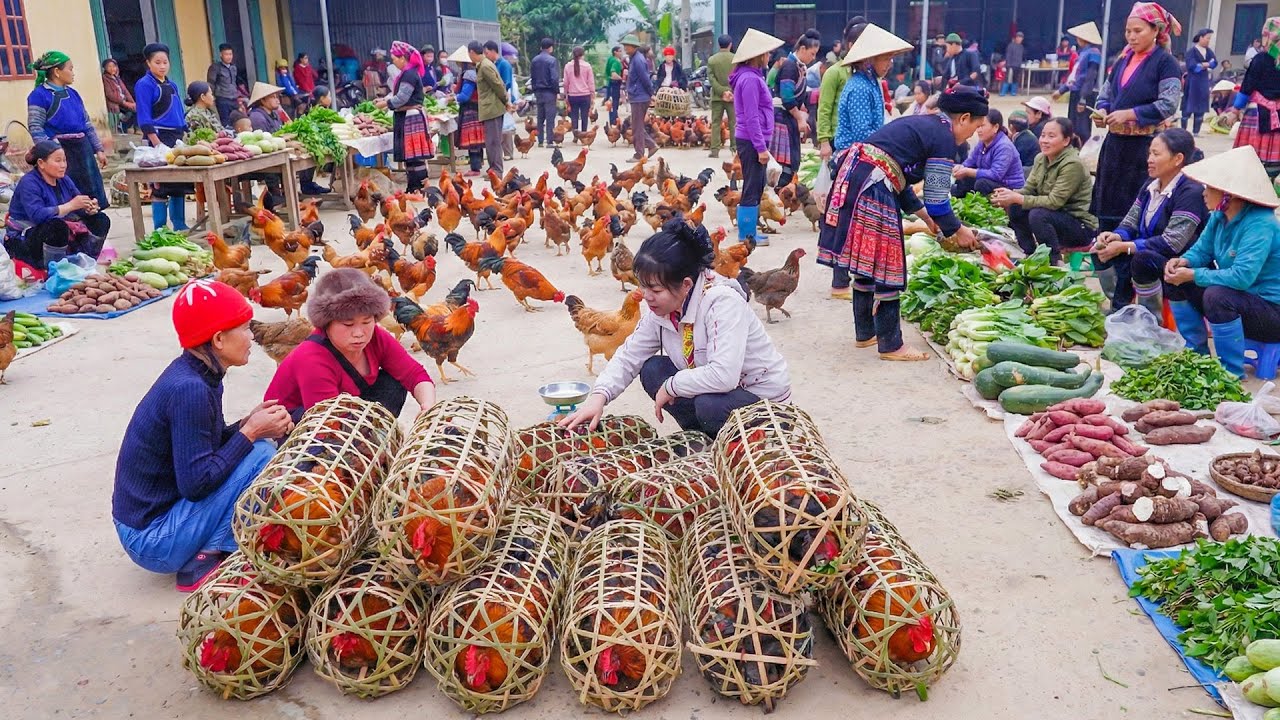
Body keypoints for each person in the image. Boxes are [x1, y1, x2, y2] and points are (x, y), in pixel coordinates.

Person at [114, 280, 293, 593]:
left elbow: (204, 447)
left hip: (152, 524)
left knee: (257, 446)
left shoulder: (199, 373)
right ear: (219, 339)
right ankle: (209, 553)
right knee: (261, 453)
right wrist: (251, 432)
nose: (252, 337)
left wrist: (245, 424)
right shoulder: (190, 390)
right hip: (151, 540)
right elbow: (196, 484)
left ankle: (209, 544)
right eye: (245, 329)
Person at [559, 220, 790, 438]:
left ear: (686, 284)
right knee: (652, 370)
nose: (647, 297)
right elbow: (629, 355)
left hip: (762, 401)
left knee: (708, 405)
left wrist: (672, 386)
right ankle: (702, 437)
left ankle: (735, 444)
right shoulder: (663, 310)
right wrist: (598, 397)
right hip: (717, 392)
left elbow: (724, 375)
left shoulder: (722, 302)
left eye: (656, 290)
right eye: (643, 286)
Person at [818, 86, 985, 360]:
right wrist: (957, 229)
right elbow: (936, 196)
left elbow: (901, 181)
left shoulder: (923, 124)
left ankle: (866, 333)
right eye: (976, 126)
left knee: (866, 262)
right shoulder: (944, 137)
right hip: (872, 184)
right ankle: (891, 345)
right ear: (964, 117)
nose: (973, 134)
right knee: (887, 264)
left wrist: (927, 218)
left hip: (856, 177)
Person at [1164, 145, 1280, 378]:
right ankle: (1197, 355)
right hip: (1244, 300)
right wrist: (1183, 262)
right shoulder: (1219, 216)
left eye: (1210, 188)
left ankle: (1230, 372)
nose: (1204, 193)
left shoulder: (1261, 224)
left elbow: (1241, 277)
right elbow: (1201, 252)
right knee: (1175, 280)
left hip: (1271, 312)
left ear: (1230, 193)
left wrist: (1194, 274)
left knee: (1217, 295)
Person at [264, 269, 436, 418]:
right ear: (327, 323)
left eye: (367, 321)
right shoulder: (312, 358)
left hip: (346, 410)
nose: (359, 333)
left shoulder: (376, 336)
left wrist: (427, 407)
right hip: (301, 425)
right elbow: (326, 424)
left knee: (392, 383)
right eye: (348, 324)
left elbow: (414, 374)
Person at [1092, 128, 1206, 315]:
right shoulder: (1151, 184)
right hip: (1146, 249)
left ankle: (1151, 318)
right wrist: (1116, 236)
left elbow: (1172, 243)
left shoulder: (1190, 192)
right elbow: (1131, 221)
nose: (1149, 160)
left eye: (1156, 154)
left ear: (1177, 159)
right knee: (1099, 247)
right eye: (1149, 153)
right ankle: (1120, 307)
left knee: (1142, 259)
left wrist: (1125, 247)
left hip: (1178, 261)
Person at [1092, 2, 1183, 233]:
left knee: (1133, 207)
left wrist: (1130, 114)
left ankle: (1127, 259)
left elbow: (1168, 104)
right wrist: (1102, 111)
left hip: (1143, 148)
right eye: (1128, 31)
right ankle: (1105, 260)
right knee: (1107, 208)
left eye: (1138, 31)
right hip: (1114, 147)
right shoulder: (1122, 60)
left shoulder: (1166, 63)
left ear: (1155, 31)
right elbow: (1105, 94)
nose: (1131, 37)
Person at [993, 117, 1097, 264]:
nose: (1044, 140)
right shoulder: (1041, 158)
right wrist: (1010, 195)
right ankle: (1029, 252)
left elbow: (1054, 202)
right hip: (1054, 216)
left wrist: (1018, 198)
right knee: (1016, 206)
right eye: (1043, 135)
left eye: (1051, 136)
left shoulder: (1072, 164)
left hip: (1078, 226)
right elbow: (1029, 189)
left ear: (1066, 141)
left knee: (1038, 214)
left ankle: (1054, 260)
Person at [4, 140, 110, 267]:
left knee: (101, 220)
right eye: (58, 161)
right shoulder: (29, 183)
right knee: (56, 227)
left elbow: (78, 202)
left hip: (58, 232)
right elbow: (38, 215)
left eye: (64, 160)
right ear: (41, 163)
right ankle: (56, 270)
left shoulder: (64, 179)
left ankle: (86, 262)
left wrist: (89, 207)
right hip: (24, 240)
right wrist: (71, 205)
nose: (63, 165)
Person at [26, 51, 109, 214]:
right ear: (57, 71)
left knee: (91, 195)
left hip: (83, 150)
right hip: (60, 152)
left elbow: (86, 124)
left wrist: (98, 149)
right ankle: (74, 232)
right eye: (70, 69)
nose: (73, 72)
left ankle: (94, 232)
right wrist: (51, 152)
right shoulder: (38, 96)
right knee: (68, 196)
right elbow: (35, 127)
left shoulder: (73, 94)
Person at [732, 29, 785, 251]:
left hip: (751, 139)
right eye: (766, 54)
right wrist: (761, 148)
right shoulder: (750, 80)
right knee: (752, 187)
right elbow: (752, 117)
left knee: (754, 186)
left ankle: (749, 233)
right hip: (752, 140)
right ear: (756, 56)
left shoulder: (750, 76)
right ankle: (747, 237)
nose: (769, 57)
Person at [135, 43, 190, 231]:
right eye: (157, 62)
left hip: (175, 136)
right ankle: (160, 228)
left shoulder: (172, 84)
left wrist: (186, 134)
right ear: (148, 63)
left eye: (165, 62)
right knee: (160, 183)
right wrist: (157, 143)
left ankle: (179, 224)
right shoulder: (144, 85)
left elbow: (179, 112)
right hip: (157, 136)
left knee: (178, 181)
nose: (162, 66)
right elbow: (144, 115)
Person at [1225, 17, 1280, 178]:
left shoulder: (1261, 59)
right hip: (1277, 116)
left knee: (1249, 159)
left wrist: (1235, 109)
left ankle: (1250, 182)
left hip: (1257, 113)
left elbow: (1247, 86)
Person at [375, 41, 432, 192]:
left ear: (402, 58)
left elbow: (402, 98)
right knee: (411, 156)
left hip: (411, 117)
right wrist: (383, 100)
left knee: (414, 156)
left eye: (394, 59)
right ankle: (414, 186)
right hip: (408, 116)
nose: (393, 62)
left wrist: (385, 103)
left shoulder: (409, 74)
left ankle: (418, 186)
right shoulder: (408, 73)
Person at [817, 18, 869, 168]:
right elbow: (824, 109)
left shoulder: (869, 77)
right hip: (837, 141)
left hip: (860, 143)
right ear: (851, 44)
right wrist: (824, 142)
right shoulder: (834, 73)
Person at [773, 34, 820, 188]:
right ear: (802, 49)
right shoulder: (789, 67)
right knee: (785, 163)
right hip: (782, 118)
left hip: (789, 117)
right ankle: (778, 195)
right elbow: (787, 97)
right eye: (812, 53)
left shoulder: (798, 67)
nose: (813, 58)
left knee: (791, 161)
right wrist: (800, 118)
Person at [953, 109, 1024, 196]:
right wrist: (961, 167)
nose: (979, 130)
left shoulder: (1004, 146)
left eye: (982, 126)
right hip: (992, 181)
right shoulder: (982, 143)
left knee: (981, 183)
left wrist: (968, 171)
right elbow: (971, 161)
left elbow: (996, 174)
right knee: (964, 176)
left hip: (1009, 187)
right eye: (978, 126)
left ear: (996, 127)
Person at [1054, 22, 1103, 141]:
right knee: (1073, 126)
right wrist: (1062, 90)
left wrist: (1083, 98)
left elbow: (1090, 76)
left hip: (1084, 92)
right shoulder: (1082, 53)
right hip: (1076, 91)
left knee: (1082, 128)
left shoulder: (1094, 53)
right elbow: (1074, 77)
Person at [474, 41, 509, 175]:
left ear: (472, 53)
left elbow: (498, 85)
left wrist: (505, 100)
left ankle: (497, 171)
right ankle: (494, 170)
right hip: (491, 108)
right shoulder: (485, 65)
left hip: (492, 109)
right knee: (491, 141)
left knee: (493, 142)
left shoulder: (485, 66)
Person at [449, 46, 485, 175]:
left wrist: (453, 99)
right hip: (478, 108)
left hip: (471, 109)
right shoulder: (475, 71)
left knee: (473, 140)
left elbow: (465, 96)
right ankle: (479, 162)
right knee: (478, 139)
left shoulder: (469, 74)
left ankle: (475, 167)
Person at [623, 35, 658, 161]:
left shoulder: (637, 60)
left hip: (640, 97)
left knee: (636, 126)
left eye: (627, 45)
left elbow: (645, 79)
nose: (625, 48)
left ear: (634, 47)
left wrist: (651, 93)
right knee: (637, 125)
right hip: (637, 95)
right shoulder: (635, 58)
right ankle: (651, 145)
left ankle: (639, 154)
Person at [1182, 28, 1218, 134]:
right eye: (1207, 38)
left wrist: (1204, 65)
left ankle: (1196, 131)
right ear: (1201, 37)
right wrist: (1205, 64)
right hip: (1192, 82)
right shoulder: (1191, 51)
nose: (1208, 41)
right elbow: (1192, 66)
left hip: (1203, 81)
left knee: (1201, 108)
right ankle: (1183, 130)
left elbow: (1214, 62)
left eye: (1209, 39)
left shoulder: (1208, 51)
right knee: (1188, 107)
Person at [706, 35, 735, 159]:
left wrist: (722, 92)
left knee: (716, 123)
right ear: (730, 45)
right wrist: (729, 91)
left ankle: (715, 150)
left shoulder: (712, 60)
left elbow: (711, 80)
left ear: (719, 45)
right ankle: (735, 148)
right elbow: (738, 77)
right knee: (734, 123)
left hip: (717, 97)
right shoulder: (736, 59)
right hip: (733, 96)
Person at [530, 38, 560, 149]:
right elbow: (554, 78)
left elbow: (532, 77)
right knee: (550, 117)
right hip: (549, 92)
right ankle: (550, 141)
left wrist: (534, 89)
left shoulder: (534, 60)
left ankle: (540, 140)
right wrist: (556, 91)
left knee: (540, 117)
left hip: (538, 91)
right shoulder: (552, 60)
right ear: (550, 48)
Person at [564, 46, 596, 134]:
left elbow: (566, 82)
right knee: (584, 116)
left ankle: (575, 135)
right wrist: (592, 94)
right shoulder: (587, 66)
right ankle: (584, 133)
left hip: (572, 95)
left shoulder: (568, 66)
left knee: (574, 116)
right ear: (583, 54)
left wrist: (565, 94)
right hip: (585, 95)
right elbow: (591, 82)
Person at [207, 44, 239, 125]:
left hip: (234, 99)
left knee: (237, 121)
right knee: (225, 123)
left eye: (230, 54)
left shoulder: (233, 67)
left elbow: (235, 82)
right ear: (221, 55)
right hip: (222, 99)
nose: (229, 57)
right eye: (226, 54)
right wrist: (212, 98)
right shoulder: (215, 67)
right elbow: (211, 83)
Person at [102, 58, 136, 133]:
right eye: (109, 67)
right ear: (105, 68)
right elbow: (109, 94)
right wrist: (124, 102)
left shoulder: (117, 78)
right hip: (116, 103)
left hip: (122, 101)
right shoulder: (105, 78)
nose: (112, 69)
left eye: (114, 66)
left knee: (137, 108)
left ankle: (134, 128)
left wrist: (132, 102)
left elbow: (125, 91)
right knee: (131, 112)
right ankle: (123, 126)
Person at [498, 43, 519, 161]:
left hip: (505, 98)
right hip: (506, 98)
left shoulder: (504, 65)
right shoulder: (504, 65)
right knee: (505, 128)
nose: (513, 60)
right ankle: (507, 152)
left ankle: (507, 152)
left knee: (506, 129)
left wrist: (510, 100)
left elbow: (508, 85)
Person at [1009, 110, 1040, 175]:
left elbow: (1015, 161)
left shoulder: (1023, 140)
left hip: (1027, 172)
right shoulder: (1028, 135)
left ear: (1011, 126)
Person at [605, 45, 625, 127]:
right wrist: (621, 79)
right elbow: (613, 73)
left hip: (609, 83)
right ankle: (614, 120)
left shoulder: (610, 59)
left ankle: (612, 119)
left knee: (611, 102)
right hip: (615, 83)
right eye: (620, 51)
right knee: (615, 102)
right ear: (615, 52)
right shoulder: (616, 62)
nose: (621, 53)